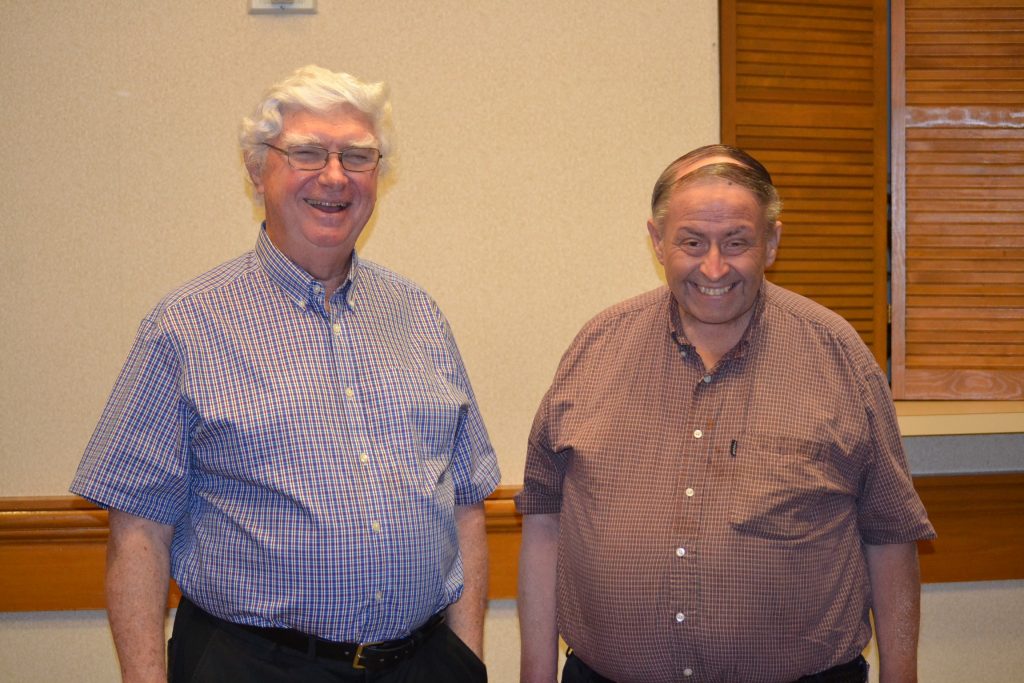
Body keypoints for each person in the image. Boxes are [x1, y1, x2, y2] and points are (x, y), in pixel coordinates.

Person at [71, 65, 499, 683]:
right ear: (256, 169)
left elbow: (464, 501)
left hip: (424, 664)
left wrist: (467, 660)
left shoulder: (420, 316)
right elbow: (138, 534)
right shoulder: (185, 327)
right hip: (254, 665)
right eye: (306, 153)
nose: (334, 176)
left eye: (357, 156)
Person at [516, 144, 935, 683]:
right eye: (692, 242)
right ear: (657, 241)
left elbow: (890, 534)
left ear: (772, 241)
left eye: (736, 242)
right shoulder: (595, 348)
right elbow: (545, 520)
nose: (714, 267)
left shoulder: (838, 356)